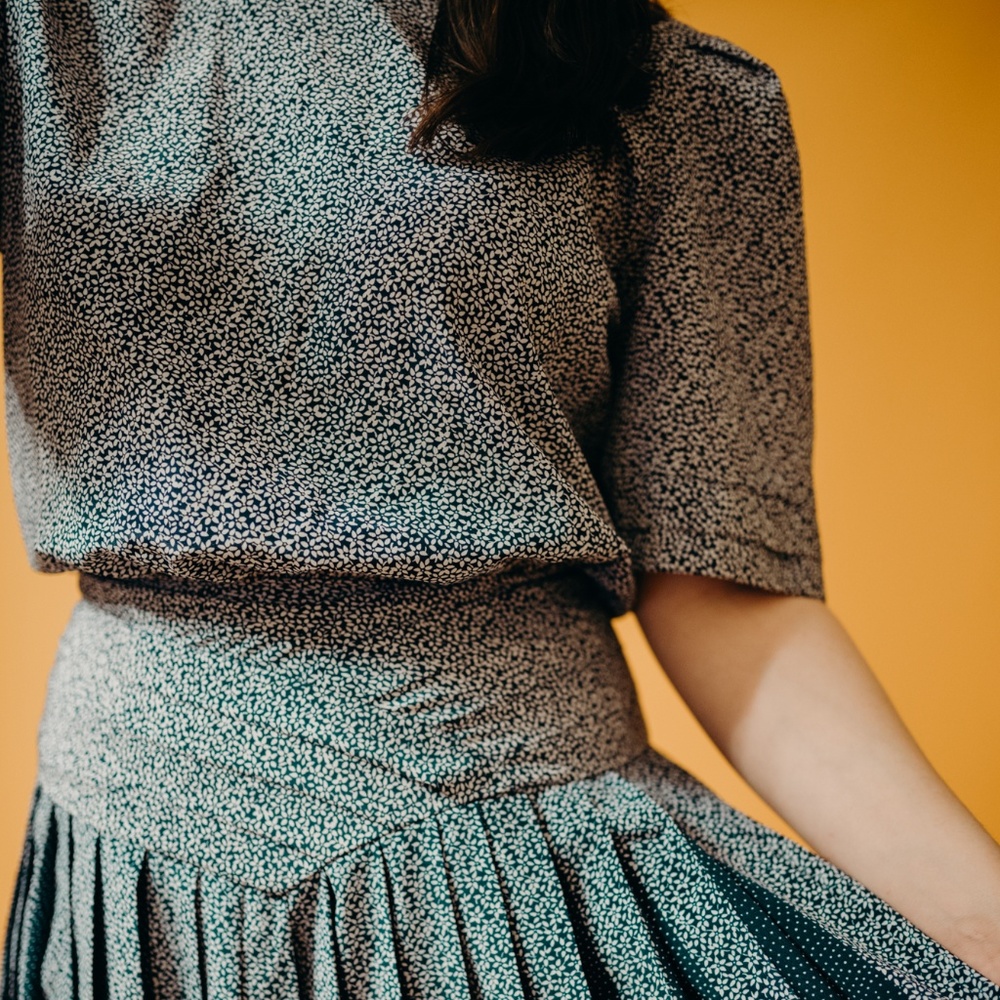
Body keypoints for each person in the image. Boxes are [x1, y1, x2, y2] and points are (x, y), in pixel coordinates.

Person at [1, 0, 998, 994]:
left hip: (524, 877)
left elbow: (724, 595)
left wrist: (980, 927)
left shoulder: (675, 98)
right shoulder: (48, 37)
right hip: (134, 876)